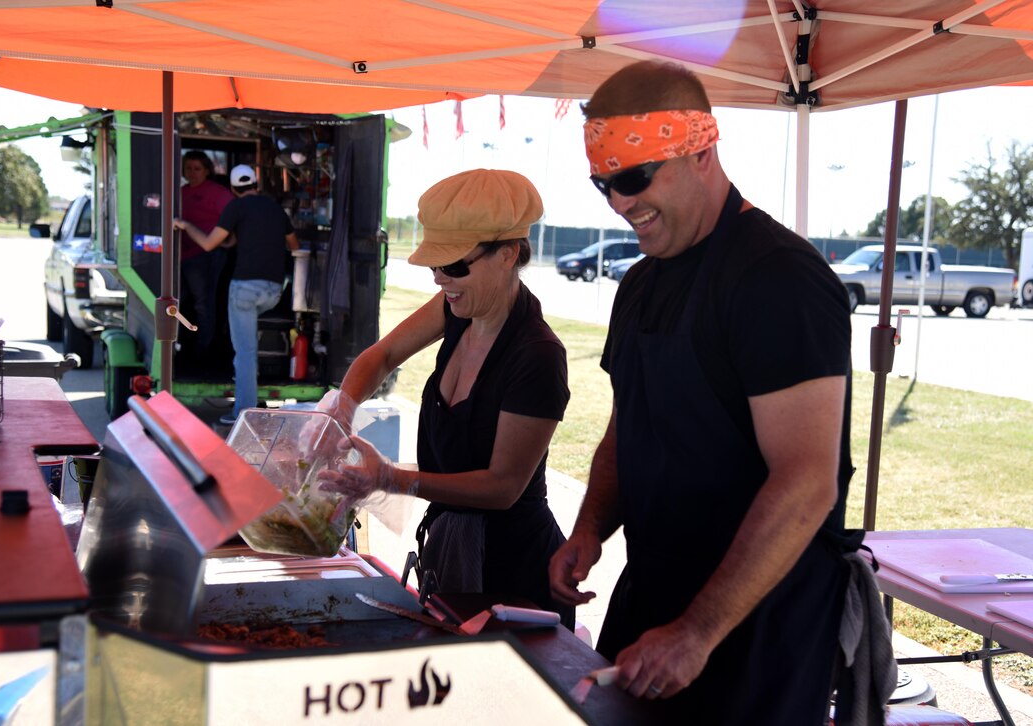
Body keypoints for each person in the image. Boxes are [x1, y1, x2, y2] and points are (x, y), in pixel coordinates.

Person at [547, 61, 865, 722]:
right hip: (654, 596)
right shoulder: (640, 283)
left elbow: (808, 481)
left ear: (702, 152)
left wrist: (697, 633)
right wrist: (591, 527)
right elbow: (628, 422)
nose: (619, 204)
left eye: (634, 178)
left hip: (755, 627)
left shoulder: (778, 279)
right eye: (603, 185)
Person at [317, 169, 575, 628]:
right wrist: (341, 410)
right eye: (435, 267)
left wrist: (396, 480)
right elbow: (383, 354)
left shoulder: (538, 356)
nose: (440, 280)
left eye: (454, 266)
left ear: (508, 254)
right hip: (451, 548)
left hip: (511, 570)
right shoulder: (458, 309)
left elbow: (502, 487)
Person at [174, 163, 296, 426]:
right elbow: (294, 246)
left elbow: (209, 244)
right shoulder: (276, 210)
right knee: (249, 334)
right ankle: (251, 381)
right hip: (274, 291)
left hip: (244, 290)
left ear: (233, 188)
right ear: (256, 185)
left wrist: (184, 224)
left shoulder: (235, 207)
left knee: (245, 353)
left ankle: (242, 412)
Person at [178, 151, 234, 367]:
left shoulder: (217, 193)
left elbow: (234, 217)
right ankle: (182, 348)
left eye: (197, 168)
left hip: (205, 257)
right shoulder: (180, 192)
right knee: (178, 303)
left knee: (203, 303)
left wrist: (230, 241)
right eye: (188, 168)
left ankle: (204, 353)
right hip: (179, 257)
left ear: (208, 170)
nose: (192, 173)